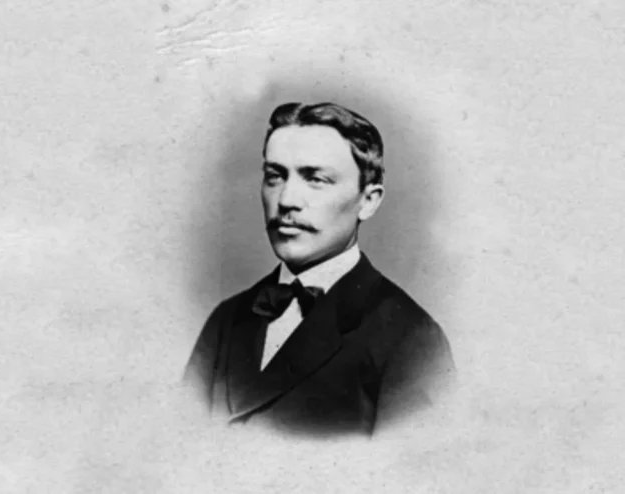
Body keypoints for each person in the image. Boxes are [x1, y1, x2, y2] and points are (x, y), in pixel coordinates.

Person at [184, 101, 454, 437]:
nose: (286, 200)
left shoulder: (412, 340)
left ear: (368, 201)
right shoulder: (226, 320)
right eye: (274, 176)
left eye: (315, 179)